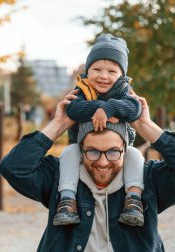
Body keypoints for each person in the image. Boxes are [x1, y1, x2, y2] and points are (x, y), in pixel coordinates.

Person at [0, 91, 175, 251]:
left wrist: (147, 127)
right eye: (92, 152)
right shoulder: (60, 175)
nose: (102, 162)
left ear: (125, 150)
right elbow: (13, 168)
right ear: (80, 149)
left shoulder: (149, 180)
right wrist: (57, 125)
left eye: (112, 152)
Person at [55, 33, 144, 226]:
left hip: (117, 151)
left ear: (122, 75)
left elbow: (135, 108)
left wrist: (109, 107)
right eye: (97, 69)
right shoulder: (82, 89)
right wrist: (98, 109)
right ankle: (67, 200)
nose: (103, 76)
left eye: (112, 71)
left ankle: (134, 200)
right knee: (68, 153)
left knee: (136, 156)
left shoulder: (124, 91)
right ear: (88, 71)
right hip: (84, 149)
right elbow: (73, 108)